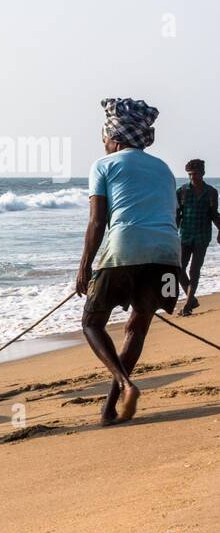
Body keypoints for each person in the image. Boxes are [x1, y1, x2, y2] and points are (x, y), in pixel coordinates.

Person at [76, 98, 183, 426]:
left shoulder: (103, 165)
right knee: (136, 328)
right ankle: (110, 409)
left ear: (116, 139)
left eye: (105, 139)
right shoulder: (164, 168)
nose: (104, 144)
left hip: (125, 248)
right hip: (168, 254)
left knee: (92, 323)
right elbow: (171, 215)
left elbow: (97, 221)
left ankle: (125, 385)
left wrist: (84, 268)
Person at [175, 158, 220, 316]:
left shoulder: (212, 193)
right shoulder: (181, 191)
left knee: (195, 270)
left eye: (196, 174)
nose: (192, 177)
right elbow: (177, 215)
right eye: (190, 174)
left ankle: (187, 305)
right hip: (184, 236)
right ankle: (192, 298)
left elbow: (214, 214)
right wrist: (170, 232)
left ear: (203, 174)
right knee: (179, 268)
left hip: (202, 237)